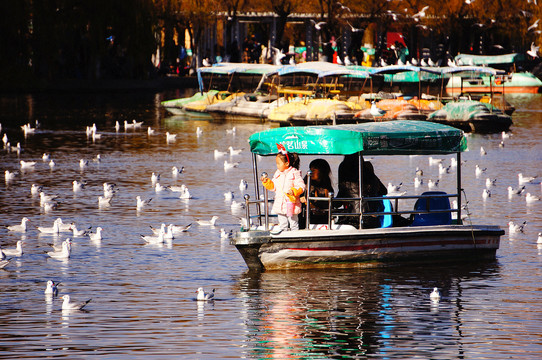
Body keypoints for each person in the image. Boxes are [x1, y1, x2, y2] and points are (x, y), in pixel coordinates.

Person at [261, 144, 305, 231]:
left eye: (278, 163)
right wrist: (266, 182)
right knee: (283, 224)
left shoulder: (294, 173)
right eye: (276, 163)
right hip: (280, 204)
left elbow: (301, 186)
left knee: (293, 223)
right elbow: (273, 187)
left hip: (291, 204)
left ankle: (295, 236)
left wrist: (294, 191)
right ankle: (284, 235)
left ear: (286, 163)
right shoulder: (277, 173)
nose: (277, 165)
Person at [337, 153, 387, 228]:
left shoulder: (346, 182)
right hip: (373, 219)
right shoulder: (370, 175)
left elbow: (338, 203)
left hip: (354, 219)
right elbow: (384, 191)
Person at [300, 159, 334, 227]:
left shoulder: (327, 186)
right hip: (307, 219)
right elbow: (303, 199)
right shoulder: (305, 185)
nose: (311, 172)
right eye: (310, 169)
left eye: (314, 169)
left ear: (322, 171)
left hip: (323, 220)